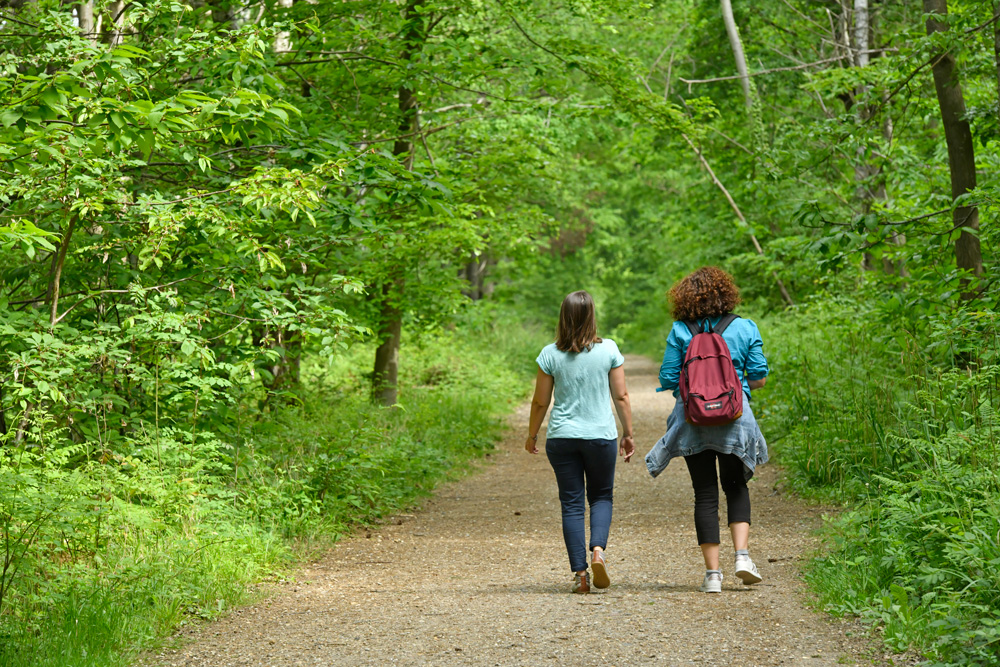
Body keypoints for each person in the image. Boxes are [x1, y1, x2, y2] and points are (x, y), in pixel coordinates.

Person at [645, 267, 770, 593]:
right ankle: (742, 557)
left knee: (705, 494)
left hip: (692, 421)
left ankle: (713, 576)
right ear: (727, 294)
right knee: (736, 486)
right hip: (735, 418)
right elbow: (759, 376)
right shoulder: (744, 327)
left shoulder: (679, 331)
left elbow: (669, 378)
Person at [525, 290, 635, 594]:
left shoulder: (550, 354)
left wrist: (532, 434)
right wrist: (628, 433)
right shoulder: (609, 349)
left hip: (562, 437)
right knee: (601, 497)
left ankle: (581, 575)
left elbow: (539, 402)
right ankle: (598, 551)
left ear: (564, 317)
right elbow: (622, 396)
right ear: (592, 317)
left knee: (571, 504)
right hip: (601, 436)